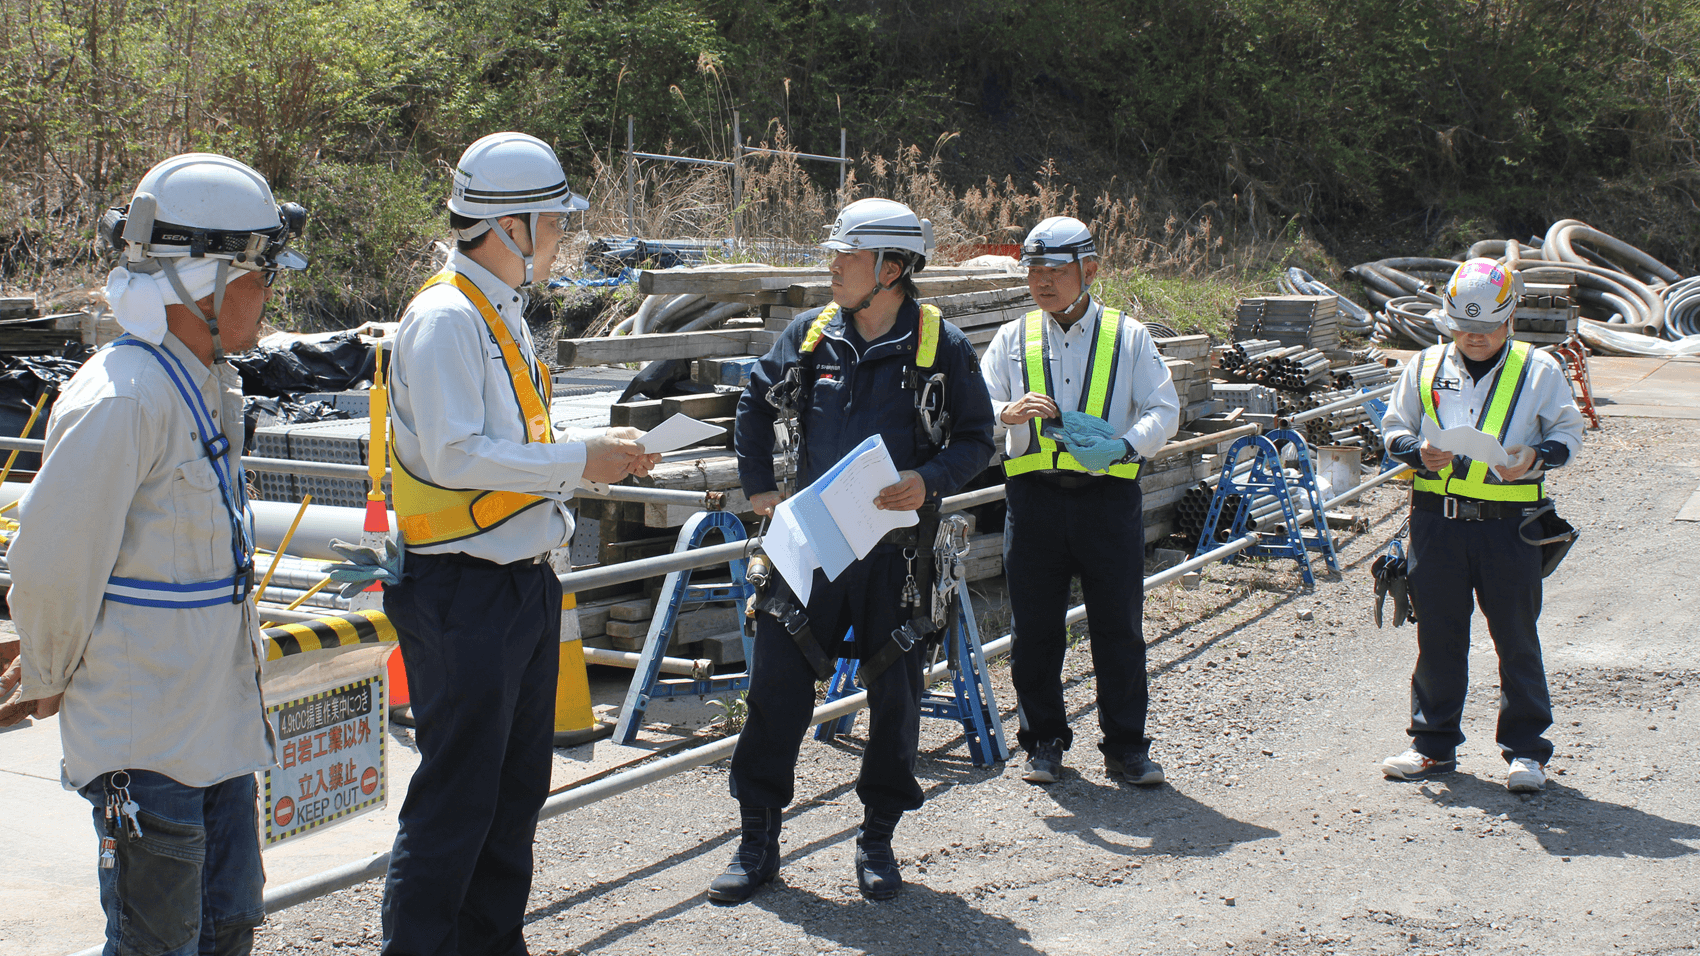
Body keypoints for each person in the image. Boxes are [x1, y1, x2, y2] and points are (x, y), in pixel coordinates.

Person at [2, 152, 307, 955]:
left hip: (213, 730)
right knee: (157, 943)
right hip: (150, 742)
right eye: (258, 274)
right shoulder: (123, 398)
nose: (267, 293)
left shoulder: (200, 382)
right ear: (198, 282)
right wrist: (47, 673)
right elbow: (51, 566)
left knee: (228, 928)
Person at [380, 131, 658, 955]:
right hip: (463, 591)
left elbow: (505, 445)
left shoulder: (495, 313)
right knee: (457, 800)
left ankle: (492, 943)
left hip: (518, 586)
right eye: (555, 222)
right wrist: (579, 460)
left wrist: (588, 454)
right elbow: (455, 452)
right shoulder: (442, 319)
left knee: (512, 794)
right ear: (511, 225)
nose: (563, 237)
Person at [712, 197, 995, 903]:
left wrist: (925, 481)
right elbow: (753, 402)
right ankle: (757, 843)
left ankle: (877, 840)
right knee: (775, 685)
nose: (832, 265)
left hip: (896, 559)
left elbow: (976, 440)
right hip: (808, 547)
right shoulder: (811, 336)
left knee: (894, 697)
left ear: (891, 268)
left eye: (847, 255)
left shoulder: (943, 349)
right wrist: (758, 491)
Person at [981, 215, 1180, 787]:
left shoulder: (1129, 336)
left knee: (1118, 626)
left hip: (1107, 499)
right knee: (1036, 629)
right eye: (1034, 271)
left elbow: (1163, 411)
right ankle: (1043, 742)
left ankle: (1126, 747)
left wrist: (1122, 443)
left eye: (1055, 270)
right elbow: (982, 397)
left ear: (1089, 270)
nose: (1042, 282)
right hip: (1034, 500)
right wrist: (1005, 414)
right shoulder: (1014, 336)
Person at [1379, 257, 1584, 793]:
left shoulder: (1539, 369)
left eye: (1487, 328)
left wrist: (1535, 458)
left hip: (1508, 525)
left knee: (1515, 636)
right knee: (1439, 634)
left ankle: (1527, 752)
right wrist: (1416, 452)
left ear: (1509, 320)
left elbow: (1568, 433)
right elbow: (1393, 427)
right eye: (1464, 327)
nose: (1474, 337)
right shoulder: (1424, 366)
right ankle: (1431, 746)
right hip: (1436, 524)